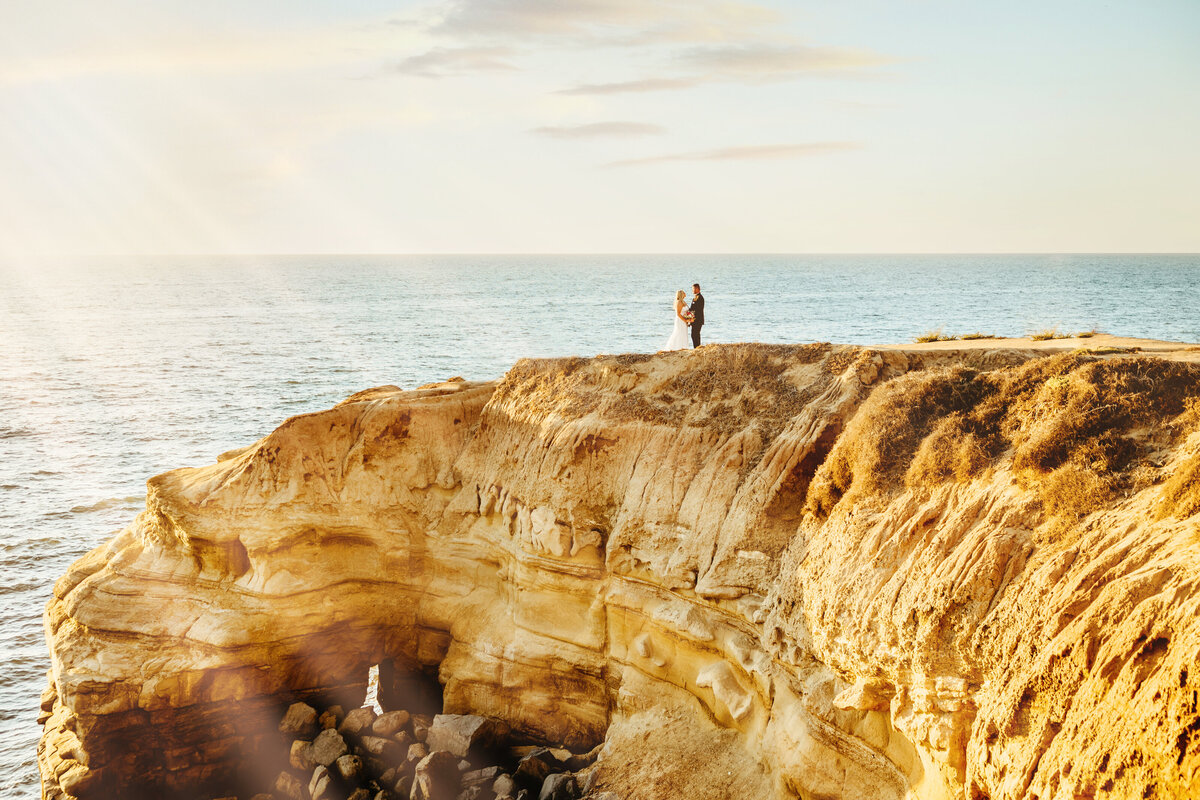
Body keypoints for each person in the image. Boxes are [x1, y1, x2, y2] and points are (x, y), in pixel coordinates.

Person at [689, 283, 704, 348]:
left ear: (698, 289)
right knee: (694, 335)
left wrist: (691, 317)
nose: (693, 290)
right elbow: (692, 309)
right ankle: (696, 347)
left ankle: (697, 347)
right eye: (692, 289)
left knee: (695, 335)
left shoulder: (700, 298)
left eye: (694, 289)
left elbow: (697, 310)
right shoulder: (695, 297)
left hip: (698, 320)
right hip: (694, 320)